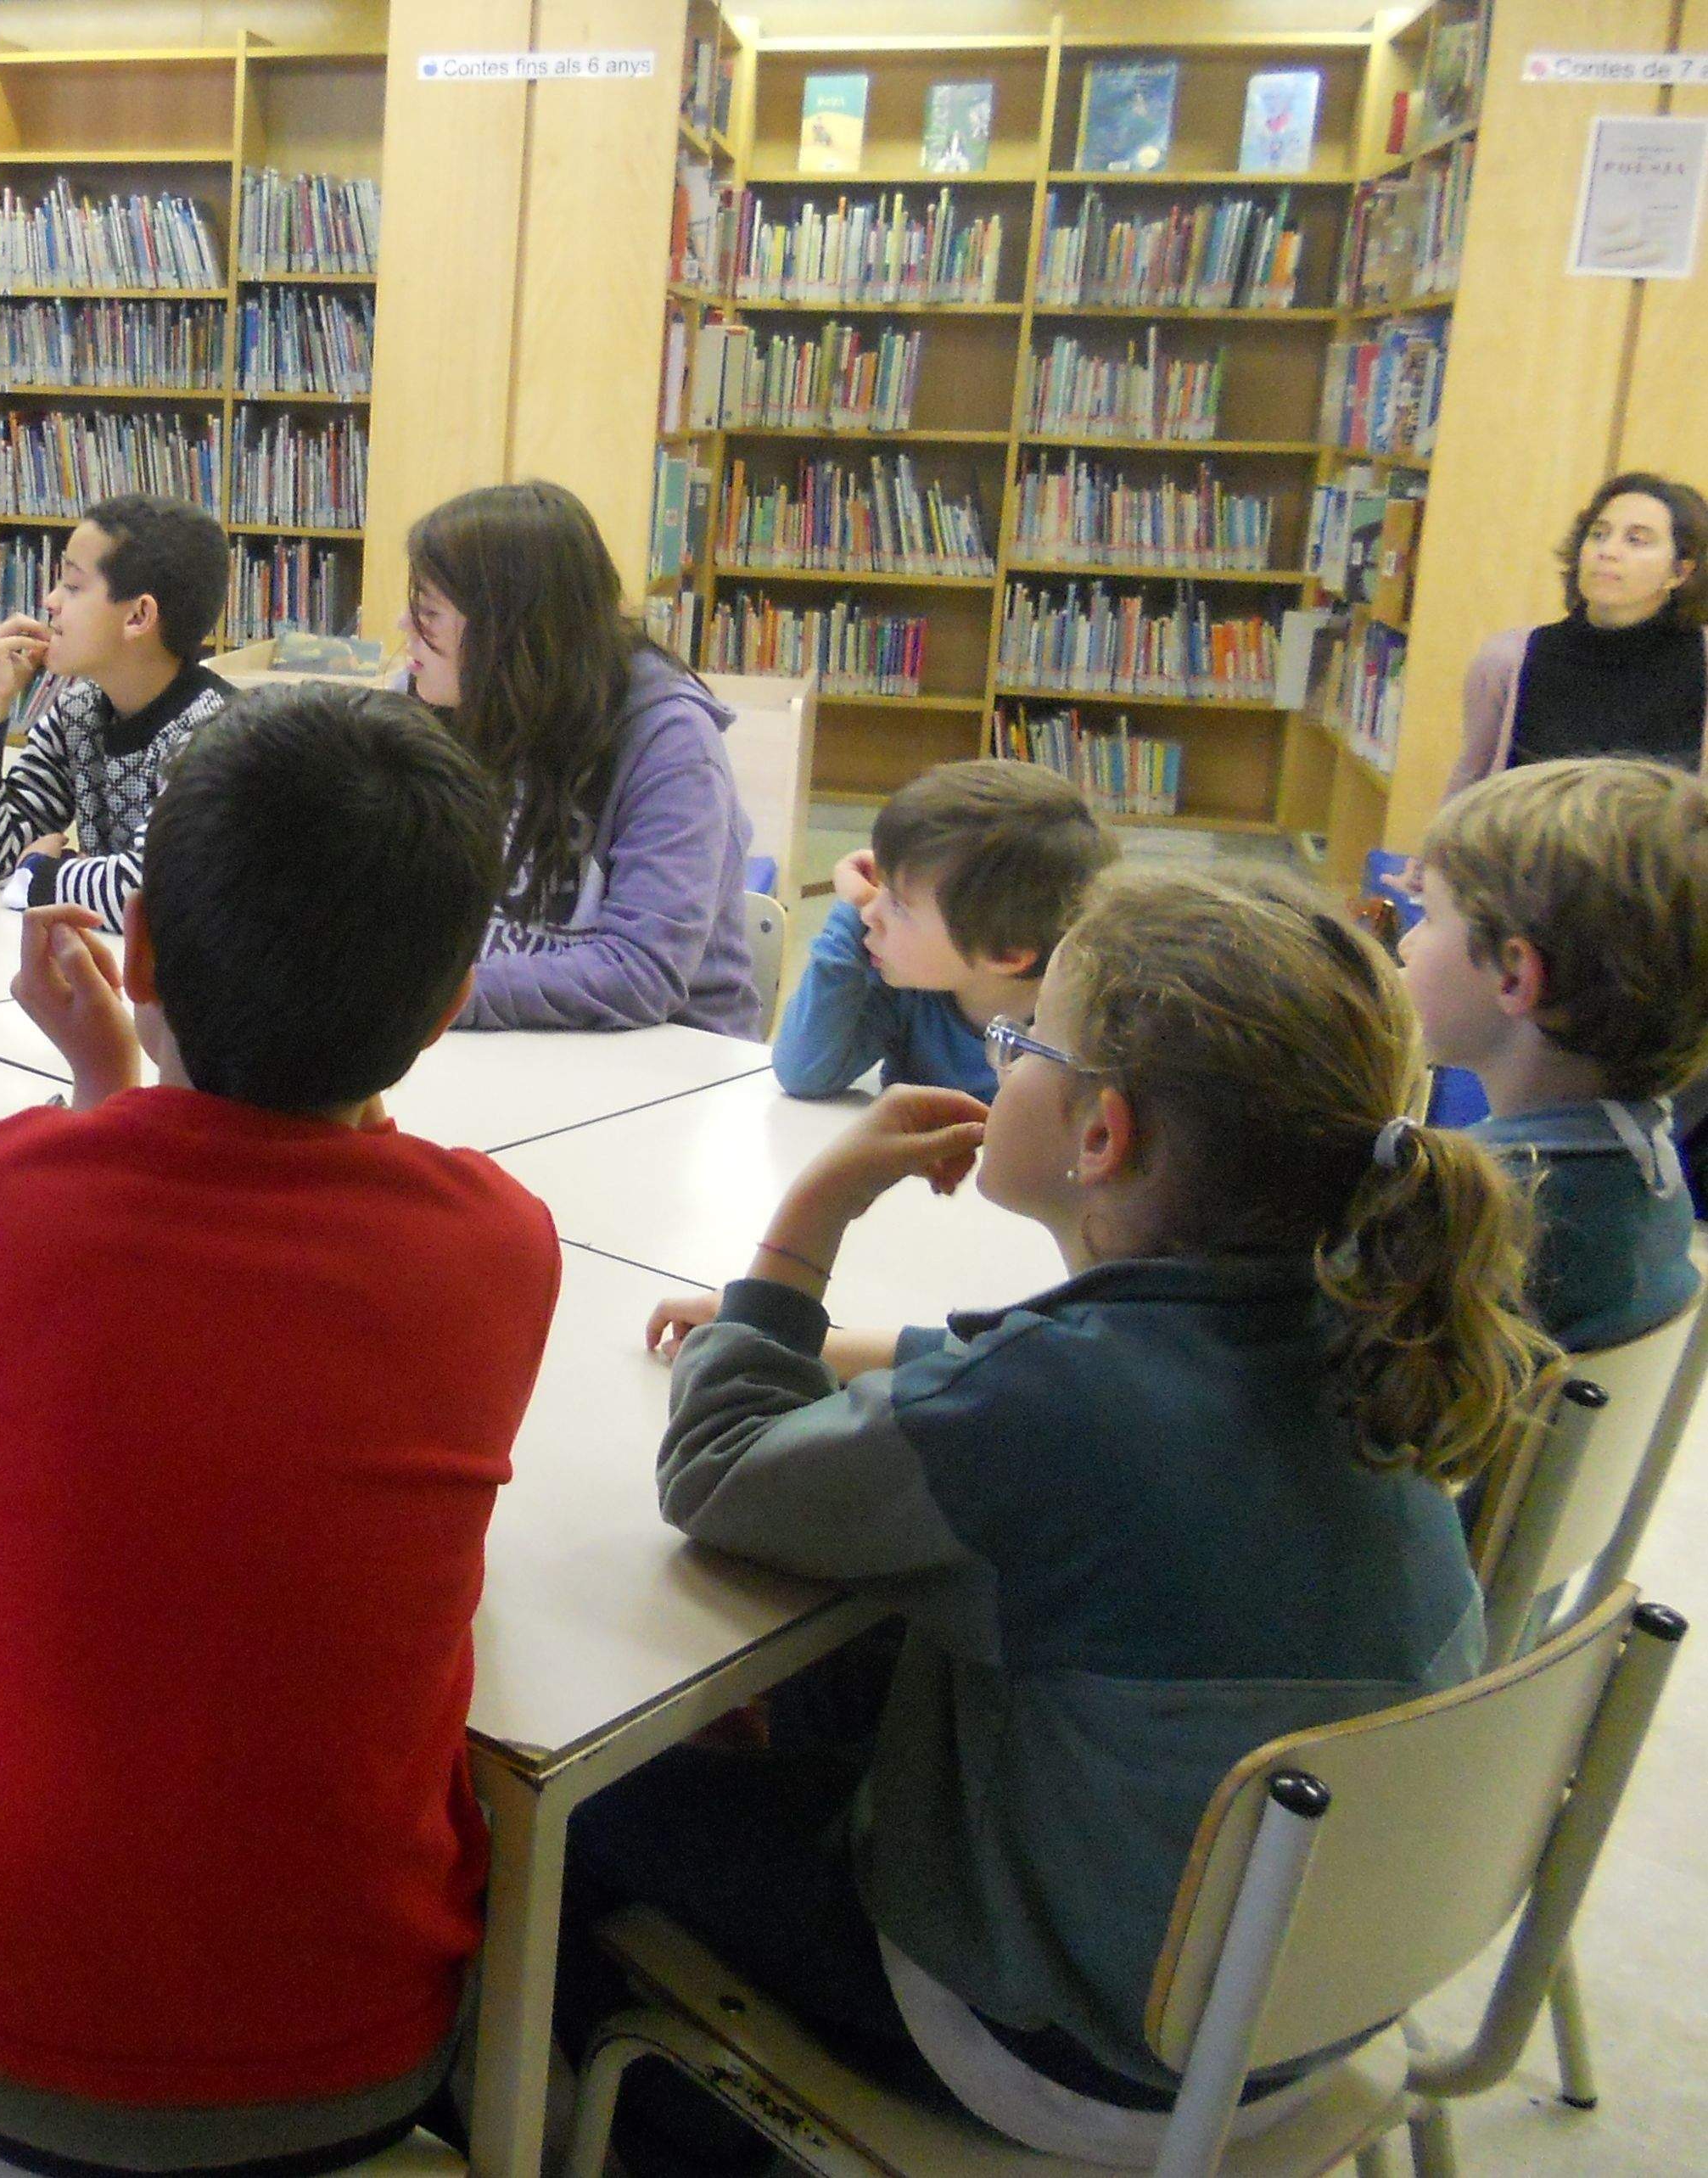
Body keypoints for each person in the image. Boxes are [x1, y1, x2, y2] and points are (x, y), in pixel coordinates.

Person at [598, 865, 1551, 2165]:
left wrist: (801, 1230)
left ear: (1102, 1132)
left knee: (588, 1813)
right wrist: (840, 1351)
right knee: (839, 1687)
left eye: (1021, 1040)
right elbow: (1052, 1387)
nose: (1001, 1063)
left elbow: (713, 1468)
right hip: (1294, 2002)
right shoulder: (1367, 1329)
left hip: (1070, 2047)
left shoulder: (1051, 1409)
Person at [0, 684, 559, 2177]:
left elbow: (129, 1255)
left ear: (143, 951)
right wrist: (136, 1080)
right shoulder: (496, 1246)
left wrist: (111, 1074)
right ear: (447, 1009)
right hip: (332, 2072)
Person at [401, 480, 759, 1035]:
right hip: (500, 1041)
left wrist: (429, 998)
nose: (406, 628)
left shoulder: (671, 741)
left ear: (505, 630)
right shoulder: (433, 704)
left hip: (663, 1065)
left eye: (427, 612)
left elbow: (639, 971)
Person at [1403, 758, 1708, 1350]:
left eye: (1428, 916)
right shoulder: (1644, 1166)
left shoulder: (1464, 1211)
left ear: (1514, 975)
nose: (1406, 942)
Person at [0, 493, 233, 928]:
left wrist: (37, 874)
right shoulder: (78, 713)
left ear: (138, 616)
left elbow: (153, 894)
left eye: (74, 587)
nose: (50, 601)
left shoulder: (214, 735)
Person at [772, 759, 1116, 1100]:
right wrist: (853, 907)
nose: (870, 914)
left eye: (898, 905)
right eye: (882, 886)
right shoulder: (908, 987)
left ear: (1005, 952)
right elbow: (803, 1073)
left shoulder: (1084, 1045)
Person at [1445, 471, 1708, 796]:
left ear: (1680, 572)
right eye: (1598, 534)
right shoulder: (1508, 659)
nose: (1607, 551)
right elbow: (1471, 780)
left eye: (1636, 540)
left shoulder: (1700, 661)